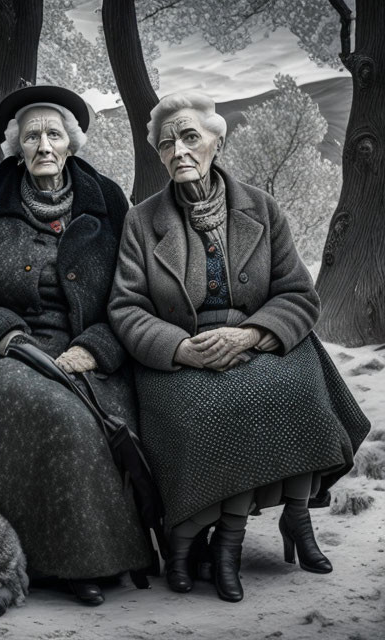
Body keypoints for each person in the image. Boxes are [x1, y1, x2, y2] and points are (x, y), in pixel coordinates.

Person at [108, 91, 370, 602]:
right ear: (159, 156)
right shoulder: (142, 220)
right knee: (207, 410)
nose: (179, 151)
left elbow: (298, 293)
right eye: (167, 144)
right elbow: (126, 308)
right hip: (178, 356)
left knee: (298, 387)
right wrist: (182, 349)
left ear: (215, 142)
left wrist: (251, 334)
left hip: (255, 336)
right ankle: (216, 540)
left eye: (190, 137)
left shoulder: (261, 208)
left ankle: (298, 519)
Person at [0, 85, 153, 607]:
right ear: (16, 145)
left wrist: (96, 349)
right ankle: (49, 563)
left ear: (71, 144)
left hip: (88, 348)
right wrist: (7, 336)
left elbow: (129, 296)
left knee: (89, 417)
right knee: (46, 411)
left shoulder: (107, 199)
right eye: (31, 135)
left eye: (53, 134)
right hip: (7, 350)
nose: (42, 144)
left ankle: (93, 559)